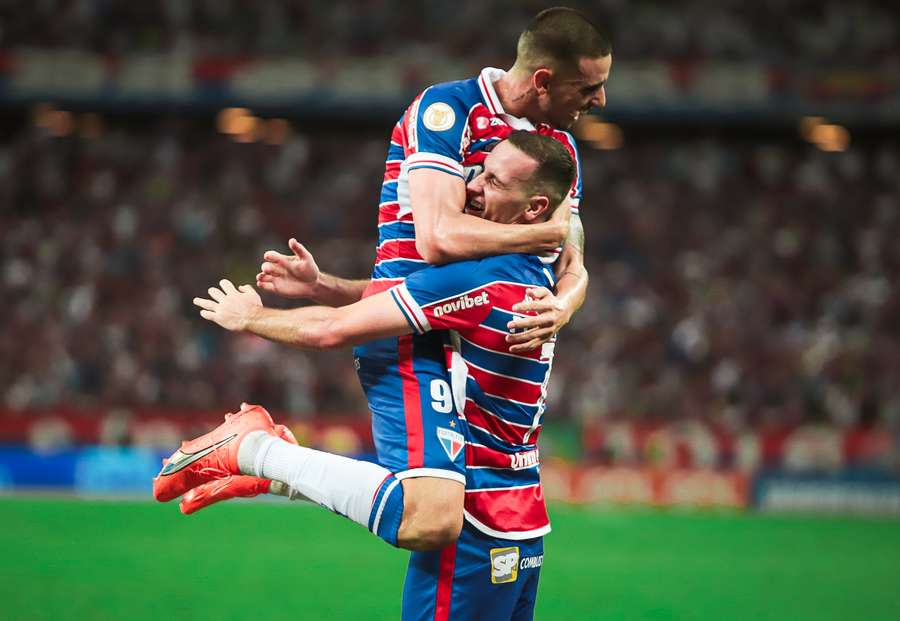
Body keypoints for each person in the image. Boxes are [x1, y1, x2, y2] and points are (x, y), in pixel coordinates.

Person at [183, 6, 612, 550]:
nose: (599, 100)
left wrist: (566, 303)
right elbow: (436, 239)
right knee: (432, 520)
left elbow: (573, 262)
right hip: (410, 331)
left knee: (465, 526)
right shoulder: (448, 110)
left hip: (469, 329)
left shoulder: (558, 150)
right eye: (590, 85)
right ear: (545, 80)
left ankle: (272, 470)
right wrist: (537, 237)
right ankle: (259, 453)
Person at [162, 132, 575, 620]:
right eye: (481, 170)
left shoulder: (491, 275)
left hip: (496, 520)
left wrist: (251, 318)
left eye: (494, 180)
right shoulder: (529, 271)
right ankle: (263, 463)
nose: (473, 185)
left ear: (535, 209)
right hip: (500, 520)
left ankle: (262, 460)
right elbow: (407, 301)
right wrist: (321, 286)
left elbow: (336, 329)